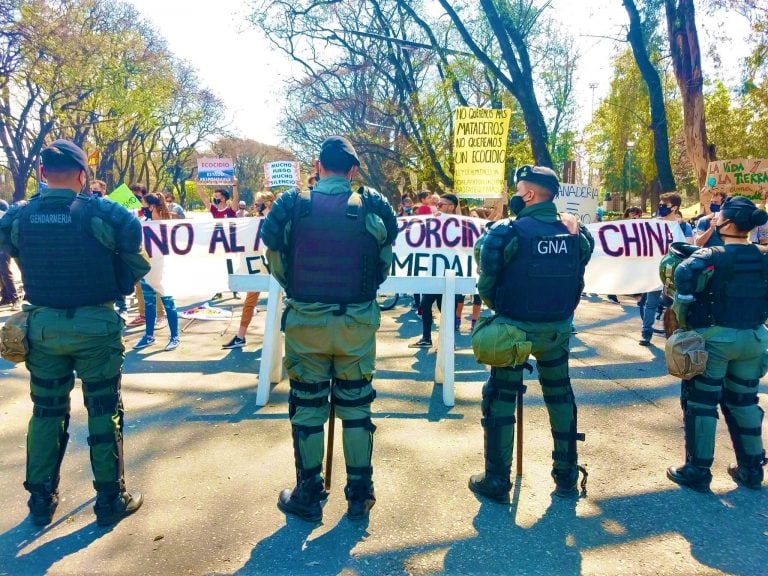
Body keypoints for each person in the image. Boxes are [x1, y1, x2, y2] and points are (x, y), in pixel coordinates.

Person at [0, 139, 148, 526]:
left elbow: (12, 251)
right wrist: (109, 286)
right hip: (96, 326)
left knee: (46, 410)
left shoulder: (17, 217)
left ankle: (40, 499)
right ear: (83, 175)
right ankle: (109, 499)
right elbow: (137, 263)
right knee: (103, 408)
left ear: (42, 174)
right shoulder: (107, 215)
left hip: (43, 328)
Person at [260, 135, 398, 522]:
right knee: (357, 406)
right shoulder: (372, 209)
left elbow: (276, 261)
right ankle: (359, 493)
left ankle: (308, 492)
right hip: (356, 323)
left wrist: (302, 293)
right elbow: (383, 265)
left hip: (306, 322)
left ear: (317, 167)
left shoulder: (292, 207)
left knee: (307, 406)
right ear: (353, 171)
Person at [469, 165, 594, 501]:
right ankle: (566, 475)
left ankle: (497, 480)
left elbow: (487, 281)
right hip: (557, 330)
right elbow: (580, 268)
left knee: (500, 397)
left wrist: (501, 307)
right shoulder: (576, 233)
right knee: (560, 394)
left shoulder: (506, 232)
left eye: (519, 188)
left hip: (514, 330)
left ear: (528, 193)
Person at [667, 196, 768, 491]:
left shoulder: (711, 255)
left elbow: (683, 276)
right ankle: (751, 469)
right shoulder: (763, 256)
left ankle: (697, 470)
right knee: (744, 401)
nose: (715, 219)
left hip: (715, 340)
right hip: (754, 337)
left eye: (719, 216)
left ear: (730, 223)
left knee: (701, 402)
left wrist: (683, 318)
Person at [409, 193, 466, 346]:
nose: (437, 207)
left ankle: (445, 341)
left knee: (445, 307)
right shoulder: (434, 221)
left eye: (441, 205)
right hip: (433, 270)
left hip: (449, 271)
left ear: (451, 207)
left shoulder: (459, 224)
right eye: (437, 204)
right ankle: (429, 338)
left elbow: (461, 247)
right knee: (426, 304)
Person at [638, 192, 691, 346]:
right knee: (650, 303)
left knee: (674, 305)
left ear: (675, 207)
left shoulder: (683, 226)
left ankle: (673, 336)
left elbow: (688, 245)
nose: (661, 207)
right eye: (660, 204)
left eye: (664, 205)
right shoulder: (655, 224)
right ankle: (646, 333)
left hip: (674, 272)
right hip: (655, 270)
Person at [133, 193, 181, 352]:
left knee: (168, 303)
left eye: (144, 205)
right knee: (149, 304)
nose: (142, 208)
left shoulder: (167, 222)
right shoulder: (144, 223)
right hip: (147, 270)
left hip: (162, 270)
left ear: (152, 206)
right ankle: (148, 336)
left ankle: (174, 336)